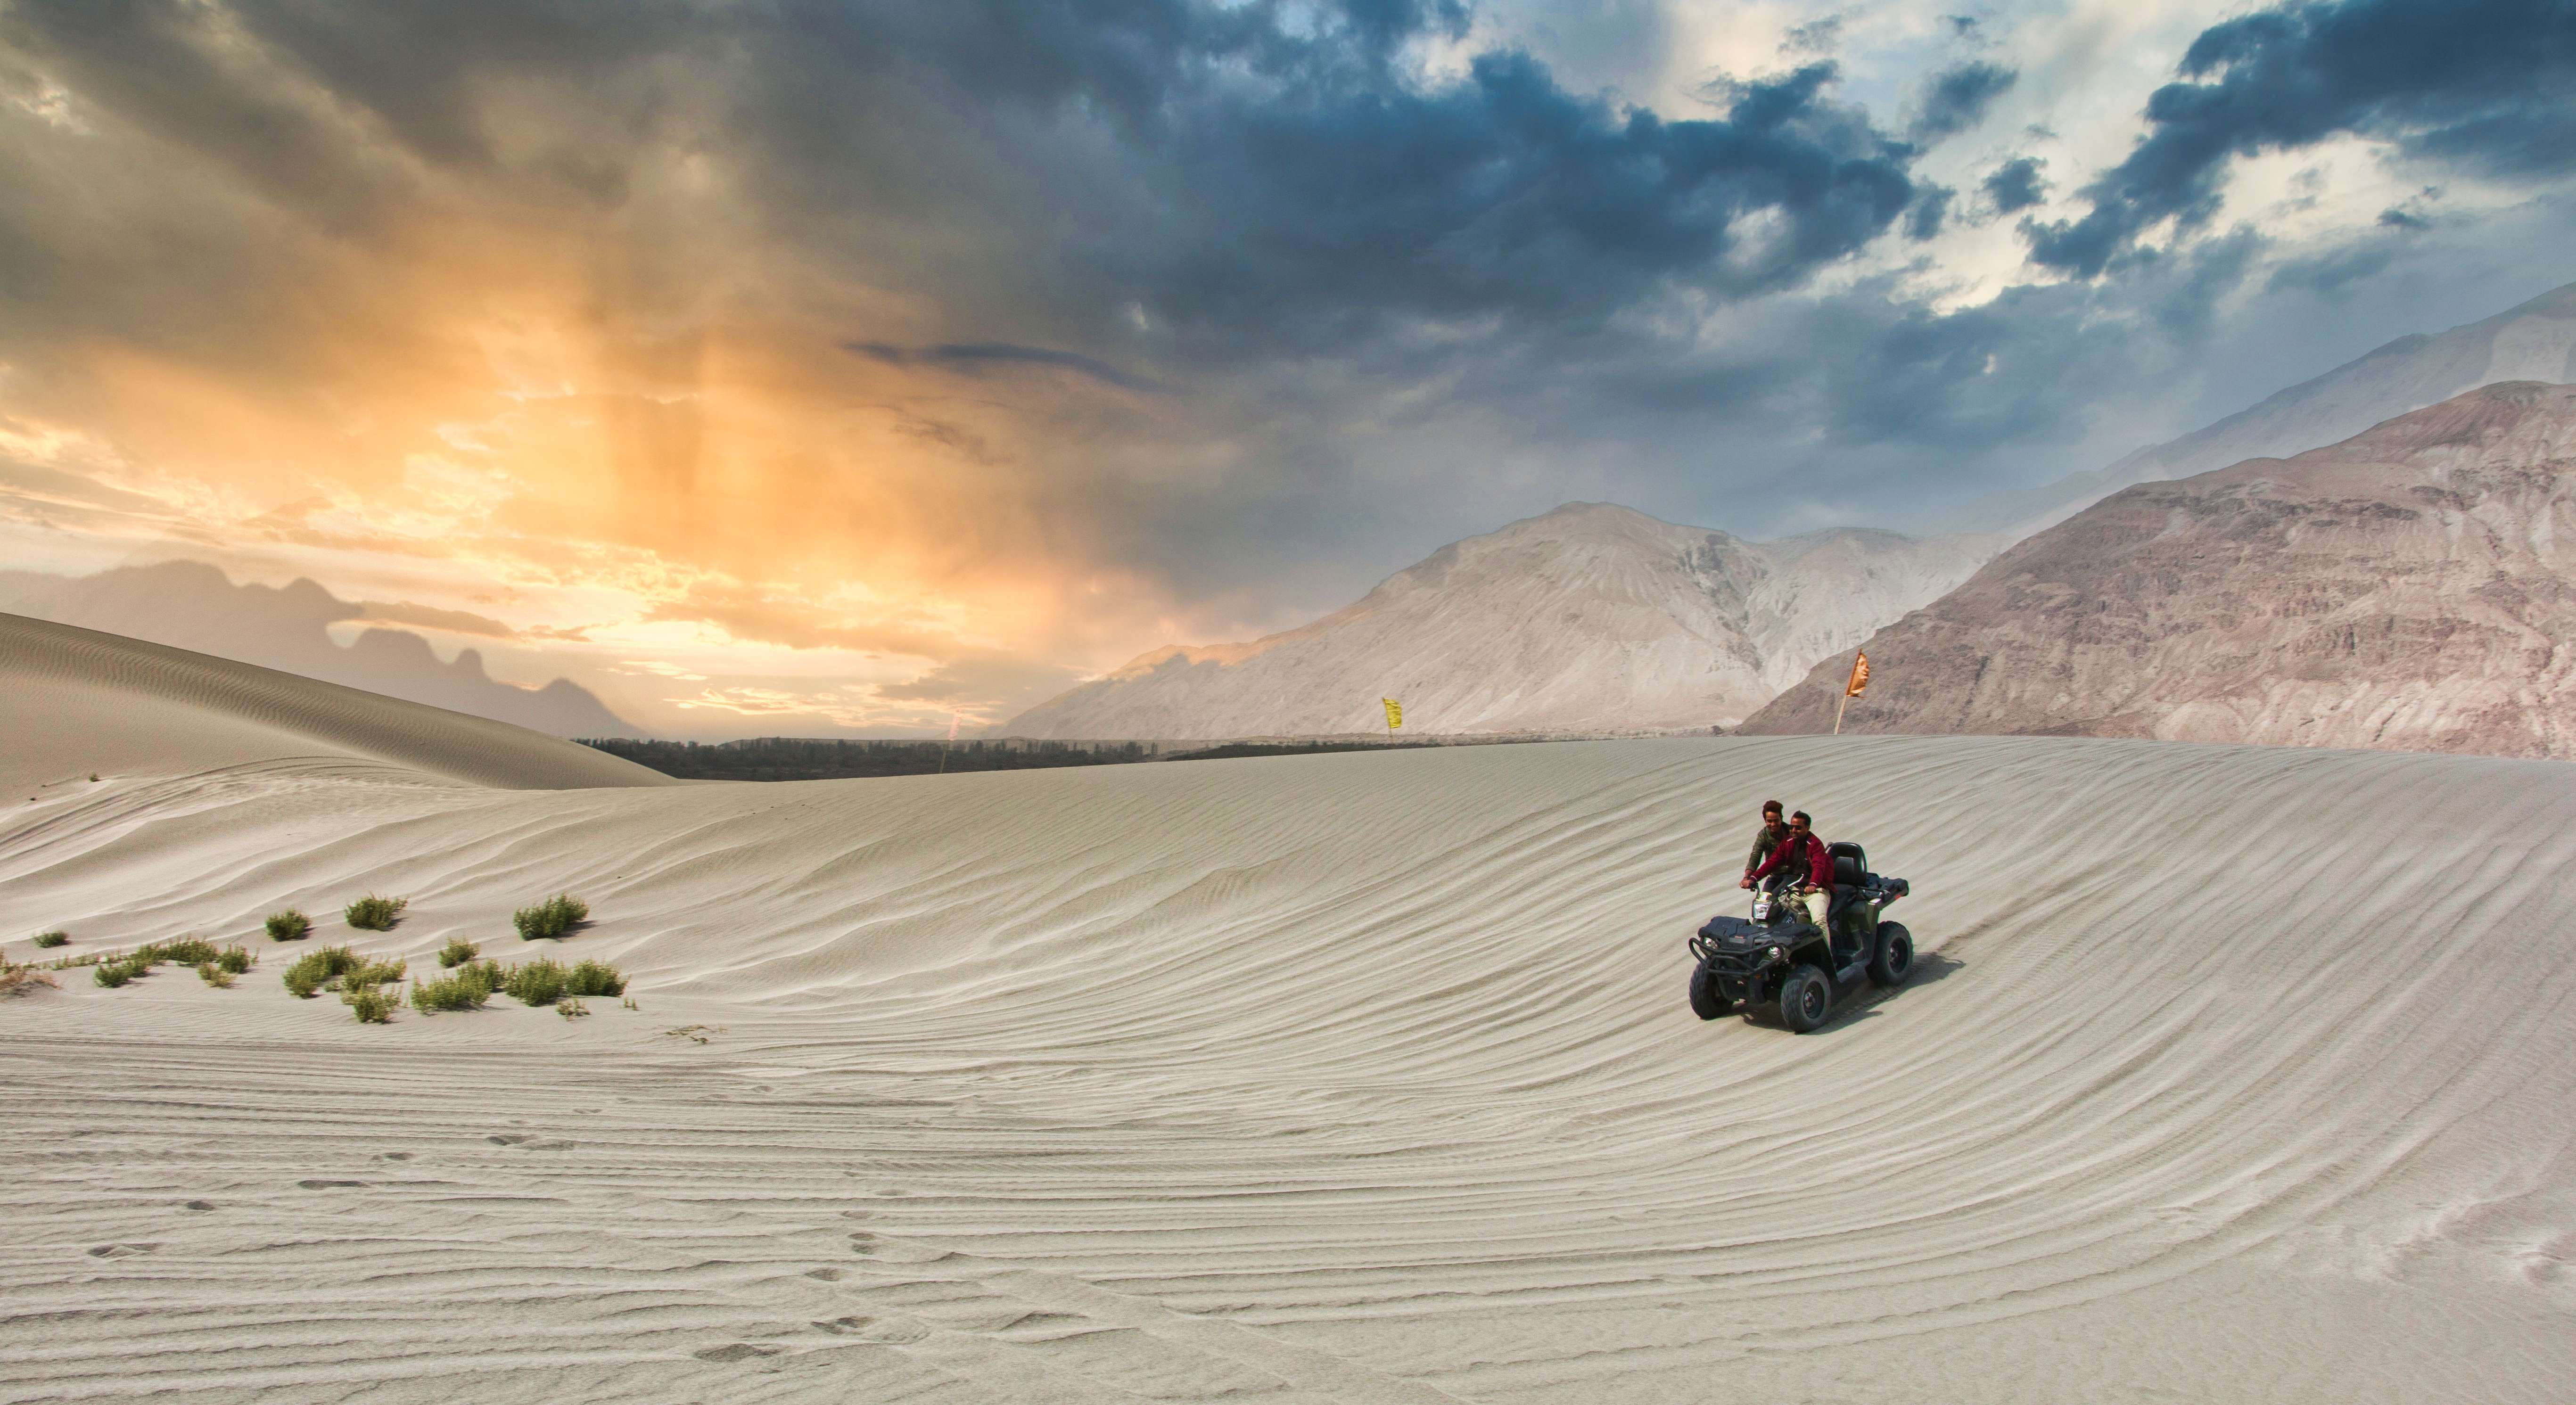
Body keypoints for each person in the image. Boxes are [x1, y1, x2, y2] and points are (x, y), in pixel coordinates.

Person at [1742, 810, 1833, 937]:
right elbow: (1773, 862)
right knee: (1773, 913)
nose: (1794, 831)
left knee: (1819, 921)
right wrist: (1753, 878)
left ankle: (1827, 956)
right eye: (1792, 827)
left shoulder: (1815, 845)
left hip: (1816, 892)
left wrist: (1813, 884)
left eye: (1798, 828)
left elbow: (1819, 867)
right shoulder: (1788, 842)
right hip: (1795, 891)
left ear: (1807, 828)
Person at [1744, 800, 1791, 881]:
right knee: (1765, 894)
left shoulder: (1792, 832)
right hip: (1775, 876)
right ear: (1765, 821)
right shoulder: (1763, 836)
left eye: (1776, 820)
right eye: (1769, 821)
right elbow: (1755, 856)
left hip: (1794, 874)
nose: (1773, 824)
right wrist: (1747, 877)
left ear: (1781, 818)